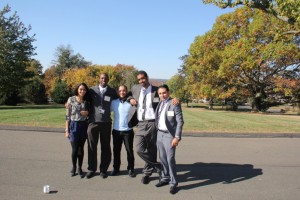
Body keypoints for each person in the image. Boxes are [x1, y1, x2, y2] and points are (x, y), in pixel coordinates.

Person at [128, 70, 178, 184]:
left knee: (151, 149)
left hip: (152, 123)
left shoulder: (156, 90)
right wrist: (130, 99)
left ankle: (147, 173)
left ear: (147, 77)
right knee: (139, 149)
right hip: (140, 123)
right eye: (139, 79)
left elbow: (166, 96)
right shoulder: (136, 88)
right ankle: (157, 165)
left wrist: (175, 99)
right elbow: (129, 95)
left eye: (143, 78)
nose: (141, 81)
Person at [86, 73, 118, 179]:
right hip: (93, 122)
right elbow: (80, 97)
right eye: (102, 78)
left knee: (105, 147)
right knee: (92, 147)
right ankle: (91, 169)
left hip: (106, 123)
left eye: (106, 78)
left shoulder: (112, 91)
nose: (104, 79)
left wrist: (130, 98)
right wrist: (69, 102)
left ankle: (103, 170)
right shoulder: (91, 90)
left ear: (108, 79)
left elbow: (122, 97)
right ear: (99, 79)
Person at [154, 84, 184, 194]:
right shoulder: (160, 103)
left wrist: (177, 137)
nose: (162, 95)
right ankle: (165, 178)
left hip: (169, 136)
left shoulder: (174, 103)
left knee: (170, 159)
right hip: (160, 134)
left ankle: (173, 183)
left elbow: (180, 121)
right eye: (160, 93)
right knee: (162, 158)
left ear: (169, 92)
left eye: (164, 93)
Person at [110, 85, 137, 178]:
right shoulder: (114, 102)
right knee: (116, 151)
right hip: (116, 131)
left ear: (126, 91)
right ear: (118, 92)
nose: (122, 92)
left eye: (124, 90)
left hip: (128, 131)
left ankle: (131, 169)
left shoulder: (131, 102)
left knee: (129, 151)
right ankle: (116, 169)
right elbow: (106, 111)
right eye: (120, 90)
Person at [65, 82, 90, 178]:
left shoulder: (87, 101)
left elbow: (90, 113)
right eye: (81, 89)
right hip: (73, 125)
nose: (82, 91)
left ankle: (80, 167)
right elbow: (67, 116)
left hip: (83, 126)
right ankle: (74, 167)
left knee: (81, 149)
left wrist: (87, 113)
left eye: (84, 89)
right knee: (74, 149)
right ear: (77, 90)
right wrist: (67, 130)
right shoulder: (71, 100)